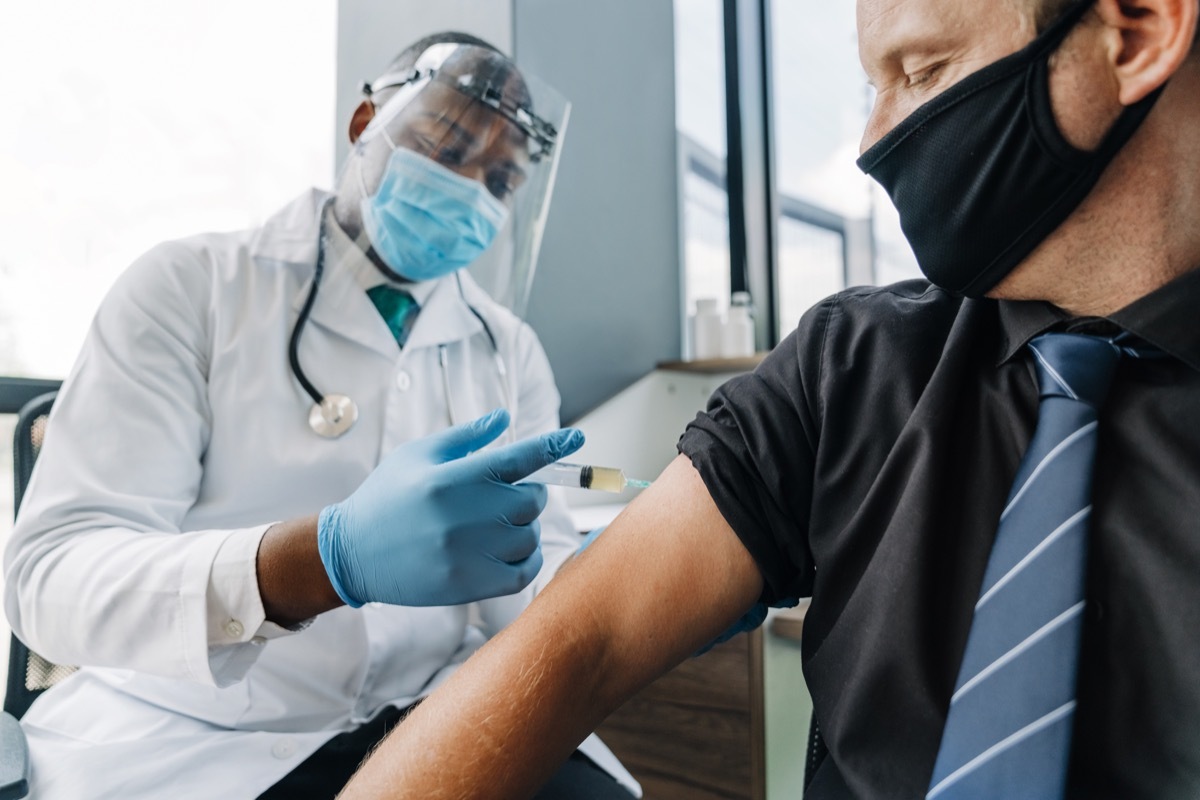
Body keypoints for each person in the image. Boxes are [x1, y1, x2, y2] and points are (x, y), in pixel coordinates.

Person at [333, 0, 1200, 798]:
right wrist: (322, 556)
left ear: (1135, 32)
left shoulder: (502, 341)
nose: (873, 139)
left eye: (924, 72)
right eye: (873, 84)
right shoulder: (855, 365)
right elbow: (576, 641)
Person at [3, 32, 638, 800]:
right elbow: (49, 581)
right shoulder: (189, 289)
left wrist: (633, 578)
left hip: (432, 710)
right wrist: (316, 563)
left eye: (501, 180)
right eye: (447, 146)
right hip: (207, 738)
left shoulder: (507, 349)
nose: (471, 187)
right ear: (366, 123)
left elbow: (533, 603)